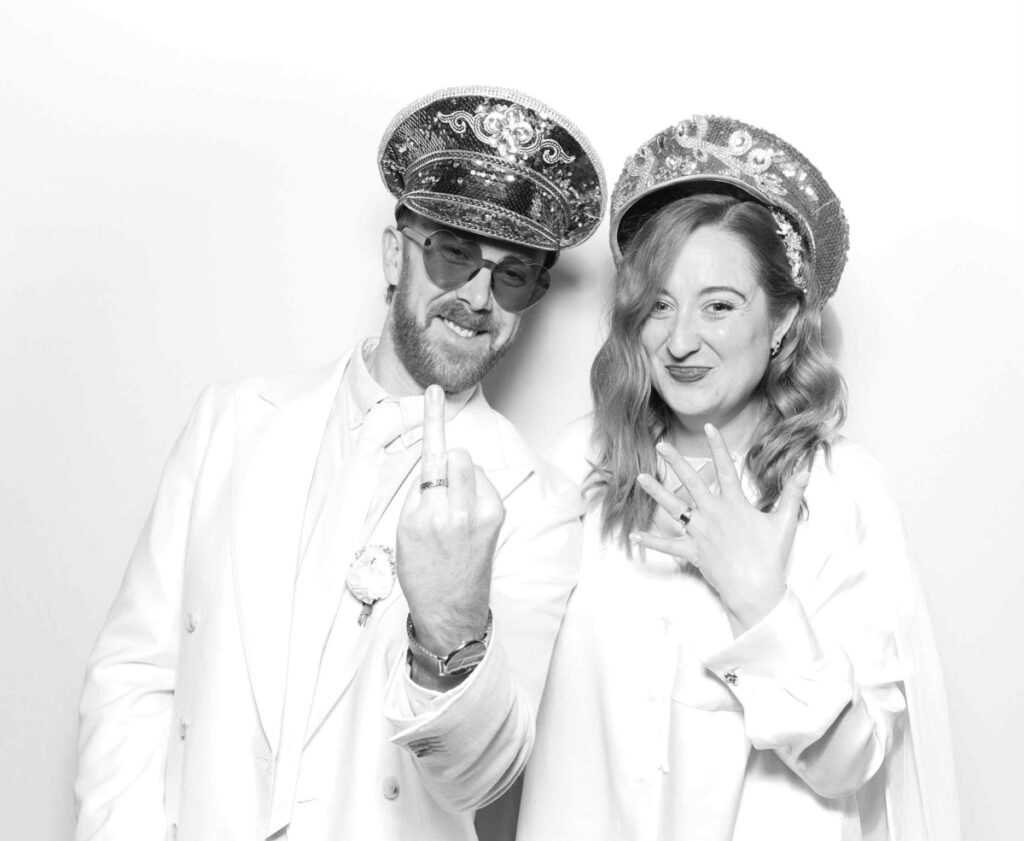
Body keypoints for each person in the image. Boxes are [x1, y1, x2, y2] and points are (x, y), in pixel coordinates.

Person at [74, 86, 605, 841]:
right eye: (454, 254)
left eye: (512, 273)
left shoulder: (538, 501)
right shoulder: (232, 421)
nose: (479, 296)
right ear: (398, 255)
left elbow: (486, 773)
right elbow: (134, 675)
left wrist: (451, 624)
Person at [516, 115, 960, 840]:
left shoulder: (840, 491)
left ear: (784, 319)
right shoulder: (583, 464)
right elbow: (509, 718)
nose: (681, 340)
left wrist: (761, 601)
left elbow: (856, 761)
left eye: (719, 305)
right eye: (659, 304)